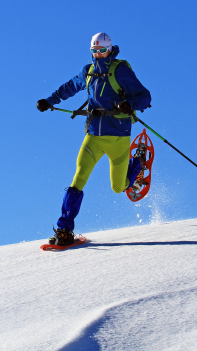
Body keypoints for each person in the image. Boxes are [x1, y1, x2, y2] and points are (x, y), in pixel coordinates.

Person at [37, 32, 152, 246]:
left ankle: (138, 163)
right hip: (93, 136)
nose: (99, 54)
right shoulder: (88, 71)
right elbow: (69, 87)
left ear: (110, 49)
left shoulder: (120, 70)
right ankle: (64, 230)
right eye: (95, 51)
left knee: (118, 188)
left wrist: (130, 105)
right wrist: (49, 101)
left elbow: (145, 97)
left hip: (118, 137)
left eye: (102, 50)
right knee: (78, 177)